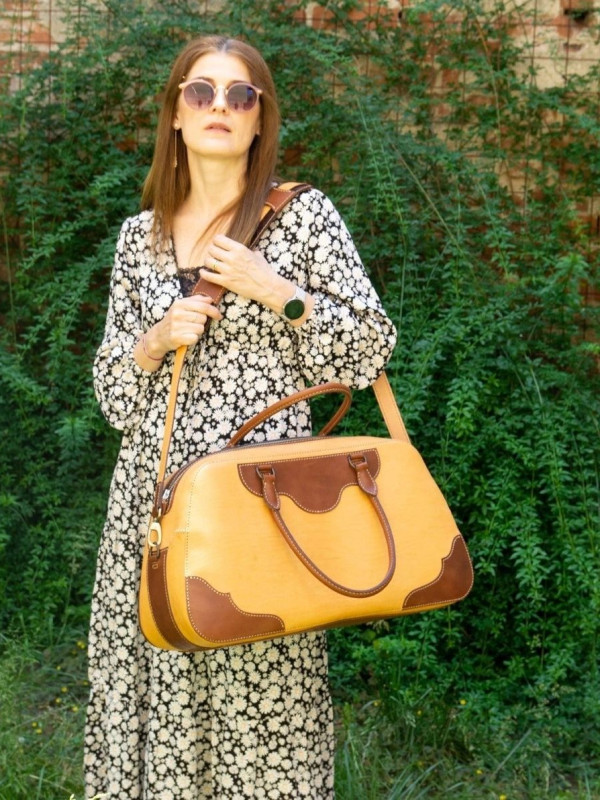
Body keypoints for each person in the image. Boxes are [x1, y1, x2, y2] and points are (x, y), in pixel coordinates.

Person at [85, 34, 397, 799]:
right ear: (175, 113)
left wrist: (276, 291)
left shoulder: (303, 218)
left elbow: (369, 349)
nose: (219, 106)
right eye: (201, 91)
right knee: (157, 675)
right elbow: (114, 400)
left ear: (260, 118)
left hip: (265, 507)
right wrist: (154, 342)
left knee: (264, 692)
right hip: (156, 507)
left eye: (239, 94)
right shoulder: (139, 239)